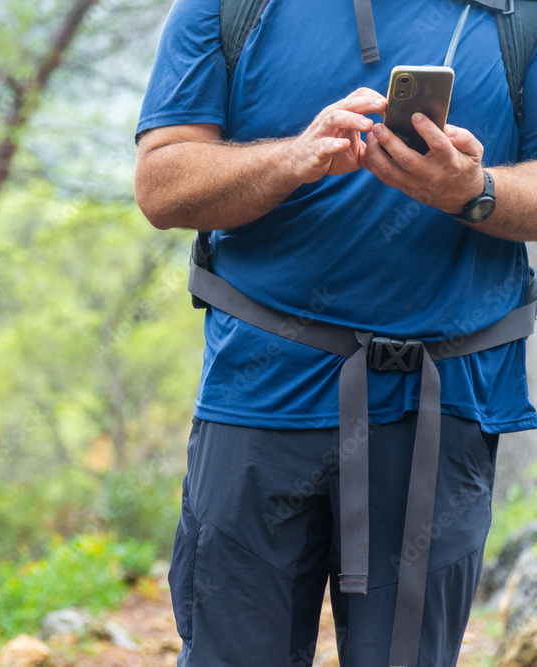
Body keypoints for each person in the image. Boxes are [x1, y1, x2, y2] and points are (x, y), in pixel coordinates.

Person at [133, 1, 537, 666]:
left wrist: (474, 189)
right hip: (261, 394)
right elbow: (160, 182)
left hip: (441, 403)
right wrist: (294, 158)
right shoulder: (229, 7)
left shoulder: (515, 12)